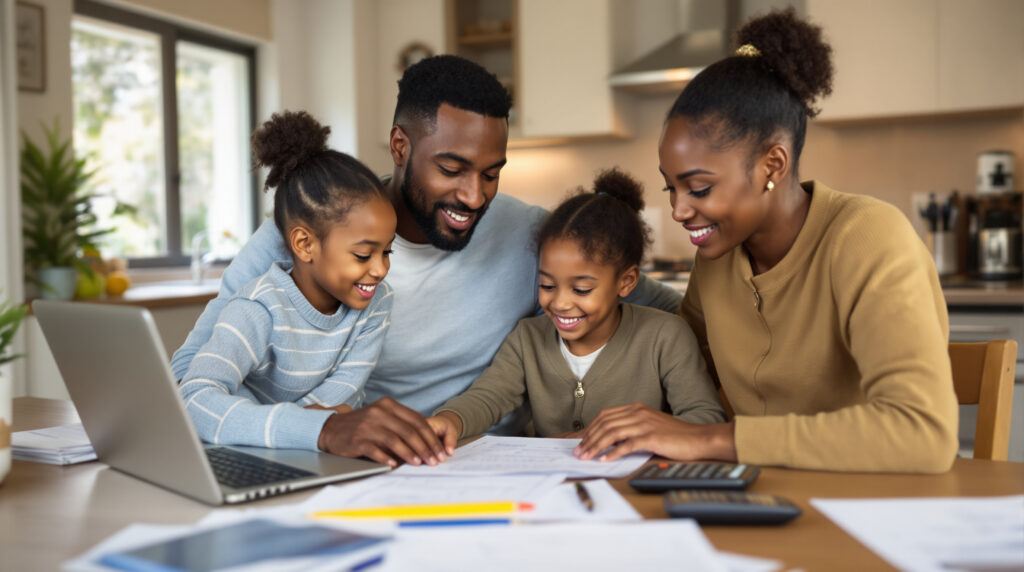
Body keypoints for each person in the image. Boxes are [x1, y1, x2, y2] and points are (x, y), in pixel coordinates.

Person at [171, 55, 682, 468]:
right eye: (452, 168)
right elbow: (184, 386)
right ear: (400, 146)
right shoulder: (306, 232)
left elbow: (671, 309)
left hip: (484, 469)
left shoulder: (534, 236)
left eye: (491, 173)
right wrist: (319, 430)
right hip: (348, 465)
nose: (475, 196)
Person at [575, 8, 959, 473]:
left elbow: (922, 432)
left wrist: (709, 439)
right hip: (755, 497)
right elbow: (680, 370)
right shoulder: (717, 260)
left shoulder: (869, 238)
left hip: (870, 508)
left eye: (699, 188)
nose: (678, 210)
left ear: (771, 166)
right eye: (670, 188)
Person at [427, 169, 725, 450]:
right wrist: (450, 420)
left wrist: (641, 434)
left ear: (626, 282)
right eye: (546, 285)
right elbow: (488, 397)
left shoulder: (666, 336)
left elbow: (705, 419)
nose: (560, 303)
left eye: (581, 289)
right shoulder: (527, 339)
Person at [178, 111, 397, 452]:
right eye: (363, 255)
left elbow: (344, 396)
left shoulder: (376, 303)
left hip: (310, 454)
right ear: (305, 244)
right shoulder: (256, 309)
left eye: (387, 252)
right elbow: (195, 401)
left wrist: (266, 422)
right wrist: (309, 428)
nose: (380, 269)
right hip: (249, 452)